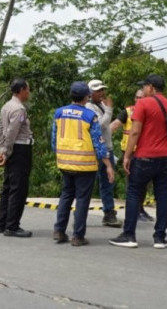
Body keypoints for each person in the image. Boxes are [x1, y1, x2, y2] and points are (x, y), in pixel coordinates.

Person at [109, 74, 167, 249]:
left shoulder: (143, 104)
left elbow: (135, 132)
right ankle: (160, 237)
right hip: (165, 157)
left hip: (145, 156)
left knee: (134, 192)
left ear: (151, 87)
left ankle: (129, 235)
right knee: (162, 195)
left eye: (145, 87)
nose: (144, 90)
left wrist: (127, 155)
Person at [52, 82, 115, 246]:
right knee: (81, 200)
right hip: (85, 165)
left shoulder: (59, 113)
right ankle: (77, 236)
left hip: (65, 163)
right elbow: (98, 142)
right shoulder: (89, 115)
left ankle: (59, 231)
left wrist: (59, 155)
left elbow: (54, 139)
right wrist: (108, 164)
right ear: (86, 96)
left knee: (66, 196)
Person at [0, 78, 34, 238]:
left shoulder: (6, 106)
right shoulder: (19, 110)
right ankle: (12, 226)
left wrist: (2, 149)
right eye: (28, 89)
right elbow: (11, 132)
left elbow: (0, 129)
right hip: (20, 149)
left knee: (8, 187)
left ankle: (1, 223)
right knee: (18, 189)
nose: (29, 92)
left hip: (11, 149)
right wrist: (7, 152)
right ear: (22, 90)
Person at [110, 89, 154, 222]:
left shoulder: (150, 111)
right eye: (136, 97)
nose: (138, 100)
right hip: (130, 152)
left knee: (144, 183)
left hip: (145, 151)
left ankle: (140, 209)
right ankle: (134, 212)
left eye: (141, 98)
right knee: (133, 183)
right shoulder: (127, 112)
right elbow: (114, 125)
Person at [86, 79, 122, 227]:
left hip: (107, 147)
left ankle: (108, 212)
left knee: (108, 182)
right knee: (88, 183)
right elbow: (100, 126)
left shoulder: (101, 105)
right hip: (95, 150)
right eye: (97, 90)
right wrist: (109, 110)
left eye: (102, 90)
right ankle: (80, 213)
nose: (101, 93)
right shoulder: (88, 107)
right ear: (89, 93)